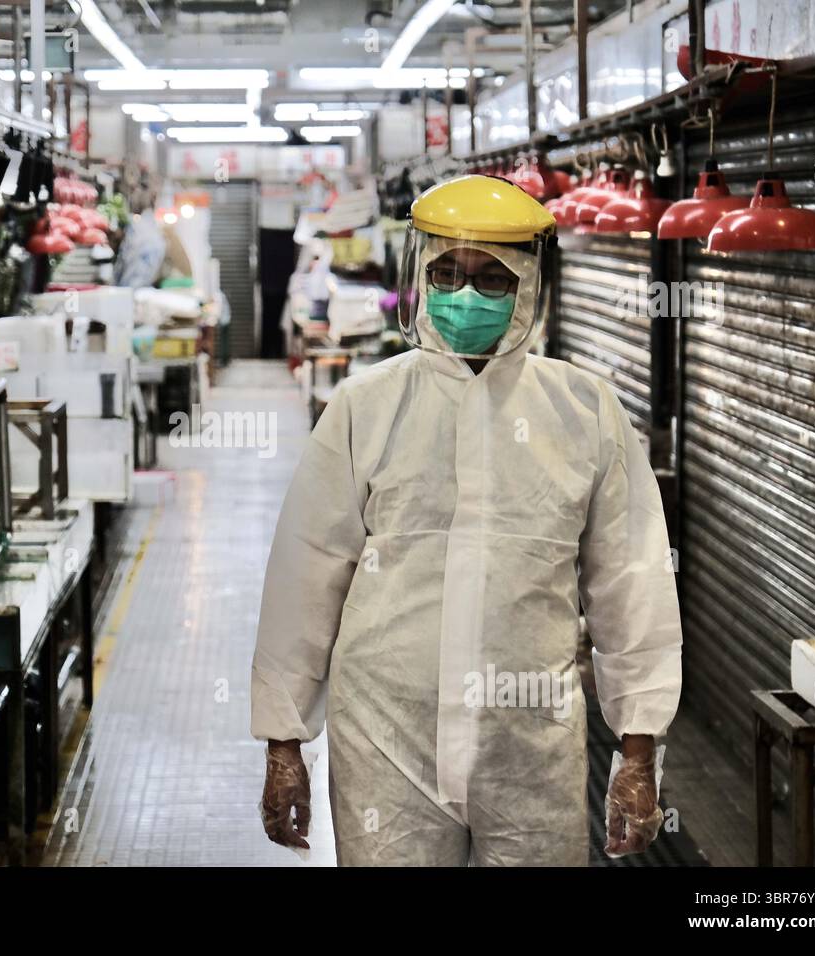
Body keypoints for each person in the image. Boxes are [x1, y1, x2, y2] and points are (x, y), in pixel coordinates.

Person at [252, 175, 682, 866]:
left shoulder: (583, 412)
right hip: (387, 741)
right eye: (447, 273)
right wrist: (283, 742)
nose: (464, 295)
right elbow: (304, 578)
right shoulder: (366, 407)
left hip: (529, 745)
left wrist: (637, 753)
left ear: (529, 287)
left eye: (491, 279)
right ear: (420, 276)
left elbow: (633, 586)